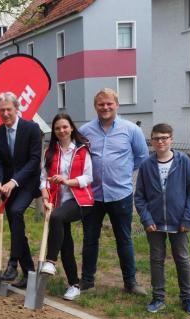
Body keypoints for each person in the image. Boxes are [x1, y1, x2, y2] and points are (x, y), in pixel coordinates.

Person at [78, 88, 149, 295]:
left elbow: (141, 157)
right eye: (101, 104)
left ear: (117, 105)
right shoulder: (85, 131)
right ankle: (88, 280)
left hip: (121, 194)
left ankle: (130, 282)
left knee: (124, 239)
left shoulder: (131, 130)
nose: (105, 107)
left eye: (109, 103)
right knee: (90, 239)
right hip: (93, 195)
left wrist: (123, 172)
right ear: (95, 107)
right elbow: (79, 159)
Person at [134, 123, 190, 315]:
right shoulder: (146, 165)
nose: (160, 142)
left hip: (179, 223)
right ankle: (158, 297)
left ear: (171, 139)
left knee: (183, 259)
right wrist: (146, 219)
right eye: (156, 138)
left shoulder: (183, 161)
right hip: (154, 223)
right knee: (156, 259)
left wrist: (187, 219)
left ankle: (187, 299)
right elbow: (139, 196)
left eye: (164, 138)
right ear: (152, 141)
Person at [38, 114, 94, 301]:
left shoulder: (81, 150)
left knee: (56, 218)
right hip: (57, 201)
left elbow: (88, 177)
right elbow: (44, 179)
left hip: (79, 200)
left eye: (65, 127)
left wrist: (67, 181)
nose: (61, 131)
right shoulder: (50, 151)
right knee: (66, 243)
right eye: (57, 128)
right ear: (54, 132)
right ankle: (74, 285)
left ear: (71, 128)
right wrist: (46, 199)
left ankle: (50, 261)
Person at [0, 92, 43, 288]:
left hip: (27, 183)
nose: (5, 114)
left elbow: (34, 160)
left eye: (9, 110)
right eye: (2, 110)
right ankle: (29, 272)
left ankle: (13, 262)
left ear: (17, 108)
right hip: (6, 186)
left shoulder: (31, 128)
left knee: (16, 212)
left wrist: (14, 181)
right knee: (15, 226)